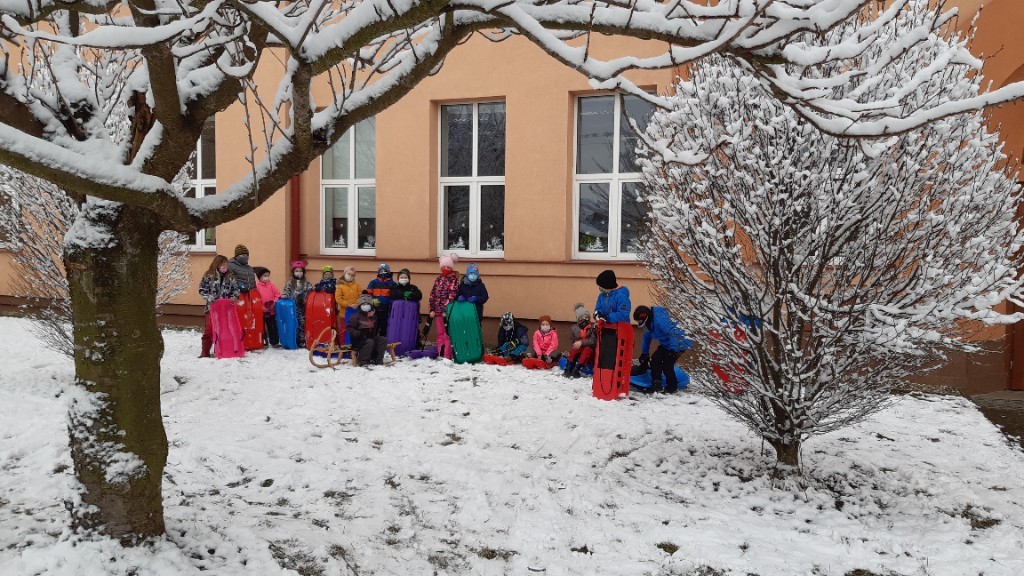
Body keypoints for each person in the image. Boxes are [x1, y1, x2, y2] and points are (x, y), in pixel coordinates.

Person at [633, 305, 693, 394]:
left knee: (667, 365)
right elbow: (646, 338)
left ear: (646, 317)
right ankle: (656, 385)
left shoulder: (660, 320)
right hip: (667, 344)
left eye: (640, 321)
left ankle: (672, 388)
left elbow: (673, 333)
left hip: (679, 343)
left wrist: (673, 350)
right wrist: (644, 354)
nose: (639, 323)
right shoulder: (650, 324)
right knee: (655, 361)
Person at [198, 255, 241, 357]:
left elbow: (236, 290)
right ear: (217, 265)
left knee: (224, 330)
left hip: (226, 309)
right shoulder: (209, 276)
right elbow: (202, 290)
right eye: (222, 265)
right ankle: (205, 351)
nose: (225, 267)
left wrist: (234, 297)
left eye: (226, 265)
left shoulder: (230, 277)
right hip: (212, 308)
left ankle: (221, 350)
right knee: (209, 330)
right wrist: (210, 298)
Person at [429, 253, 460, 359]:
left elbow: (452, 296)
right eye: (444, 267)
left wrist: (446, 310)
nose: (446, 269)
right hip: (437, 312)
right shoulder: (438, 279)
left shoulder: (453, 280)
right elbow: (433, 294)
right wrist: (432, 309)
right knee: (440, 332)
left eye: (448, 267)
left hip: (447, 313)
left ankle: (447, 354)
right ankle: (440, 353)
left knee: (447, 334)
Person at [347, 294, 387, 365]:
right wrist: (360, 333)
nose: (366, 306)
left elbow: (376, 328)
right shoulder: (356, 316)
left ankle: (377, 360)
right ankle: (363, 361)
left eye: (367, 304)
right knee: (370, 341)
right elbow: (349, 328)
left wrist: (372, 316)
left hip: (370, 337)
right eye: (363, 304)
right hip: (358, 340)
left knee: (382, 339)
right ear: (360, 306)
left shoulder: (373, 316)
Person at [282, 260, 313, 347]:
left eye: (300, 271)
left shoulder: (307, 283)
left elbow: (310, 293)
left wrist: (306, 299)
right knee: (293, 323)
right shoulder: (290, 283)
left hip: (302, 307)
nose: (298, 273)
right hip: (292, 308)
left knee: (302, 323)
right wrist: (285, 294)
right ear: (293, 272)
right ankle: (293, 339)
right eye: (296, 271)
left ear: (303, 272)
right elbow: (286, 290)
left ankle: (302, 340)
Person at [562, 303, 596, 378]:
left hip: (589, 350)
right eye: (582, 318)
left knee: (587, 349)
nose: (585, 320)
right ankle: (569, 367)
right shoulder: (574, 328)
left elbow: (593, 341)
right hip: (579, 350)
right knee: (575, 348)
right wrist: (577, 343)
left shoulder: (592, 328)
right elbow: (572, 340)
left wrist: (581, 342)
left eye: (587, 317)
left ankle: (578, 369)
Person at [366, 263, 398, 334]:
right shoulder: (373, 283)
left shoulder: (393, 284)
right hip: (375, 310)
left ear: (388, 272)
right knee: (373, 328)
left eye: (385, 271)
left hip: (386, 311)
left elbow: (394, 297)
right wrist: (372, 301)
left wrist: (389, 304)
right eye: (381, 271)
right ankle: (373, 340)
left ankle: (383, 340)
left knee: (384, 328)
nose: (383, 272)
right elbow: (368, 295)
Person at [254, 266, 281, 347]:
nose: (267, 278)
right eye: (264, 276)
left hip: (271, 311)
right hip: (261, 311)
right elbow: (255, 298)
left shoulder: (271, 285)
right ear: (260, 277)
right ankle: (263, 341)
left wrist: (274, 303)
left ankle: (274, 342)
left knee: (272, 326)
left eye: (268, 276)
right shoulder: (257, 286)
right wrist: (262, 308)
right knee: (261, 327)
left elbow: (277, 295)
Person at [335, 266, 362, 342]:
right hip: (344, 313)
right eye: (349, 274)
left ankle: (353, 344)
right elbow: (338, 299)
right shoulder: (340, 286)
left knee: (355, 329)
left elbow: (360, 296)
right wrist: (348, 304)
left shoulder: (356, 285)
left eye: (352, 275)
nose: (350, 276)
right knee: (344, 329)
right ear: (344, 274)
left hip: (355, 312)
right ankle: (343, 345)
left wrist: (357, 304)